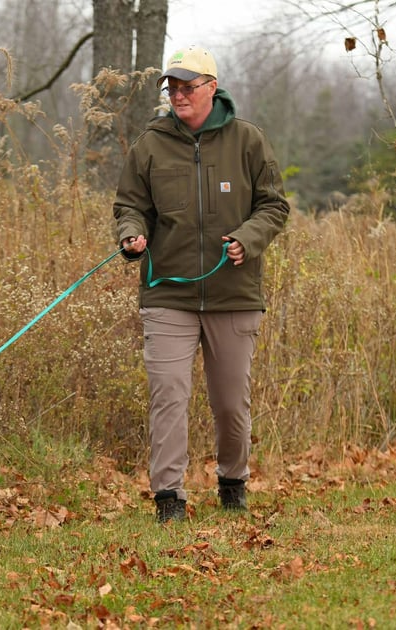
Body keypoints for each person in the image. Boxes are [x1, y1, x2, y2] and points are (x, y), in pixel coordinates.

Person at [112, 45, 290, 523]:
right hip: (167, 294)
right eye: (172, 87)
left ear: (213, 87)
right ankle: (168, 497)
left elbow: (274, 206)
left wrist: (247, 240)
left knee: (230, 402)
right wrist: (131, 232)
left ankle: (233, 482)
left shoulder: (248, 142)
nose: (179, 94)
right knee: (168, 393)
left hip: (234, 293)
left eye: (188, 86)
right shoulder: (148, 145)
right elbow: (129, 205)